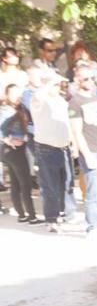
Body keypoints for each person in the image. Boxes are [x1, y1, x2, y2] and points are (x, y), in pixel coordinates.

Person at [67, 64, 97, 233]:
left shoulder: (94, 98)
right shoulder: (74, 103)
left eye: (92, 77)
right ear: (77, 80)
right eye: (86, 78)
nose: (91, 81)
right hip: (91, 151)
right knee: (93, 190)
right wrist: (87, 155)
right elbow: (77, 132)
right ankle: (92, 225)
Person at [30, 71, 76, 232]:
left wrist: (73, 144)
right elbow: (38, 96)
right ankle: (51, 218)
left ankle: (67, 214)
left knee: (68, 183)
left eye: (58, 84)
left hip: (64, 147)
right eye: (55, 84)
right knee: (50, 186)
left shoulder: (60, 100)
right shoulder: (39, 100)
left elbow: (67, 122)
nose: (58, 86)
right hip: (46, 149)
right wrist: (48, 82)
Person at [0, 83, 39, 224]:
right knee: (25, 183)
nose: (17, 97)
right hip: (13, 150)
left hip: (13, 150)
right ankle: (32, 216)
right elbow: (2, 129)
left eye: (19, 94)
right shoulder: (6, 111)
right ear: (7, 95)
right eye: (13, 94)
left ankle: (22, 215)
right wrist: (8, 140)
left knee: (16, 183)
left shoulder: (20, 109)